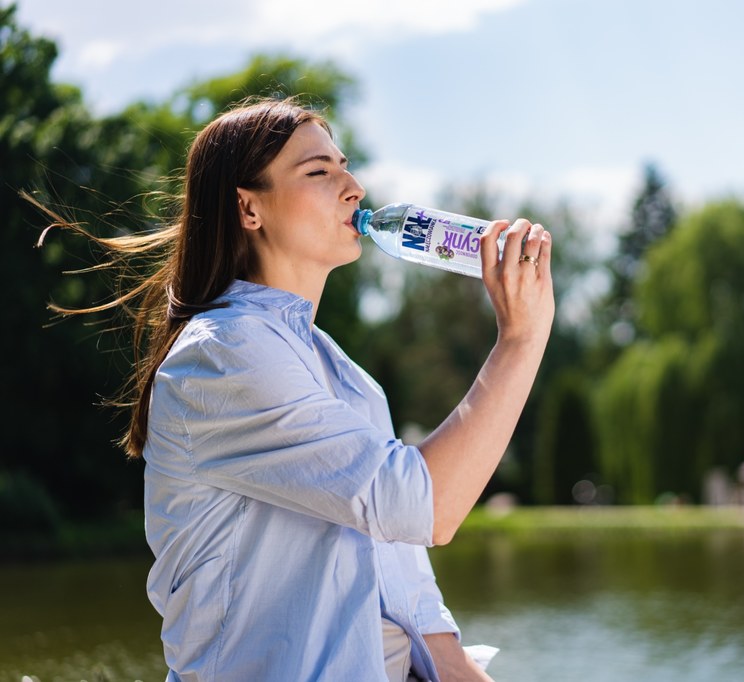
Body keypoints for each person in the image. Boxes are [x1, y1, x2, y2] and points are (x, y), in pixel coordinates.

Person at [35, 97, 554, 681]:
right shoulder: (225, 353)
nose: (354, 187)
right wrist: (521, 338)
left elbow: (410, 598)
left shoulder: (347, 378)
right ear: (249, 208)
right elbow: (425, 507)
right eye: (319, 171)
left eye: (345, 165)